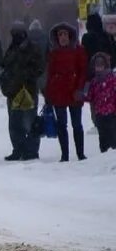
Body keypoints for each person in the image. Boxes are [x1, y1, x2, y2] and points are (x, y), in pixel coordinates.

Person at [0, 21, 44, 161]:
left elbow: (39, 68)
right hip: (13, 91)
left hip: (28, 91)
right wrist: (5, 79)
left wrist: (26, 76)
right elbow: (5, 65)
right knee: (14, 124)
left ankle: (31, 151)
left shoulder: (32, 49)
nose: (16, 36)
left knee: (29, 122)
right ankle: (18, 149)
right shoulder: (12, 49)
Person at [44, 23, 88, 161]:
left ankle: (80, 153)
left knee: (77, 124)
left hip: (74, 91)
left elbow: (83, 71)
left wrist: (80, 89)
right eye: (60, 35)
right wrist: (48, 94)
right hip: (58, 92)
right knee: (62, 124)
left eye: (65, 34)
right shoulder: (54, 53)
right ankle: (65, 154)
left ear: (70, 36)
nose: (62, 37)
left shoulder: (78, 51)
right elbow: (49, 74)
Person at [85, 52, 116, 153]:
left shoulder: (112, 79)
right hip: (99, 113)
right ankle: (103, 155)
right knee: (102, 136)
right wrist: (81, 96)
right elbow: (90, 97)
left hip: (111, 112)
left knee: (112, 134)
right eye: (97, 65)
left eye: (101, 65)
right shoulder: (94, 81)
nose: (99, 68)